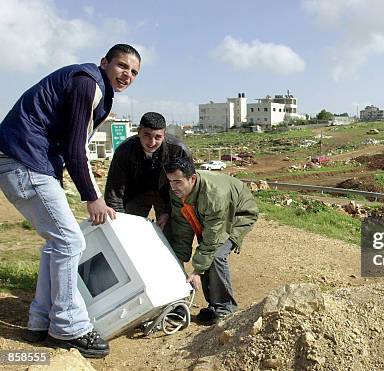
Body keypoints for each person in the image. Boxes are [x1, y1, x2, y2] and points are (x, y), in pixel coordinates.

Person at [0, 44, 141, 358]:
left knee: (56, 242)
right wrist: (93, 199)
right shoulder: (87, 83)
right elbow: (76, 150)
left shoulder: (94, 87)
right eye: (121, 66)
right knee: (69, 241)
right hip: (24, 161)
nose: (127, 75)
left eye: (133, 72)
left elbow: (68, 146)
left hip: (21, 161)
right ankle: (68, 328)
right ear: (104, 62)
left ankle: (40, 320)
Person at [164, 157, 258, 325]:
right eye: (170, 181)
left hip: (238, 214)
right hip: (210, 216)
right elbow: (182, 226)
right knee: (205, 253)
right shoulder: (177, 191)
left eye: (177, 182)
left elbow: (214, 239)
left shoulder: (214, 195)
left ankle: (225, 308)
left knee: (215, 255)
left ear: (192, 178)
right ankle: (214, 306)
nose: (173, 187)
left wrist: (197, 271)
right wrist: (180, 257)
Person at [104, 112, 191, 230]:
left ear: (164, 134)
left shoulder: (178, 150)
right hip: (136, 193)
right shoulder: (124, 151)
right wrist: (119, 221)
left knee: (169, 232)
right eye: (147, 135)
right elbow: (114, 191)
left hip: (168, 196)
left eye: (158, 137)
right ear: (138, 132)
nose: (152, 142)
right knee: (130, 230)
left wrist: (168, 212)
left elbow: (186, 188)